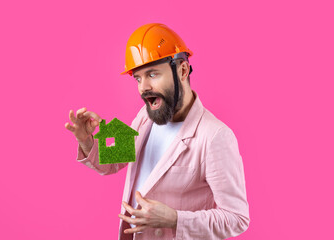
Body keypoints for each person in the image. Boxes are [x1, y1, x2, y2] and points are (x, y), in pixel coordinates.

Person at [65, 23, 250, 240]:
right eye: (138, 78)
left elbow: (237, 218)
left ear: (182, 69)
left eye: (152, 74)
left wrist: (174, 219)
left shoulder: (216, 136)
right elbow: (113, 161)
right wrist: (87, 141)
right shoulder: (145, 116)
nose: (143, 87)